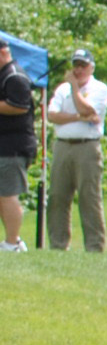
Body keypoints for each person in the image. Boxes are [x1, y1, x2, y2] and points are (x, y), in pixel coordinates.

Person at [45, 48, 107, 253]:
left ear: (91, 67)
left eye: (83, 65)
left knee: (89, 198)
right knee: (57, 196)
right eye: (76, 65)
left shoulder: (99, 88)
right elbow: (52, 115)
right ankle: (58, 245)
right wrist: (77, 118)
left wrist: (74, 89)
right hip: (63, 145)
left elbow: (88, 110)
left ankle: (94, 246)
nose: (79, 70)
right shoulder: (61, 89)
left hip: (87, 146)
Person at [0, 37, 34, 253]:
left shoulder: (15, 76)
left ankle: (13, 242)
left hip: (14, 146)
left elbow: (19, 106)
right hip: (4, 145)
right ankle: (12, 241)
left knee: (8, 193)